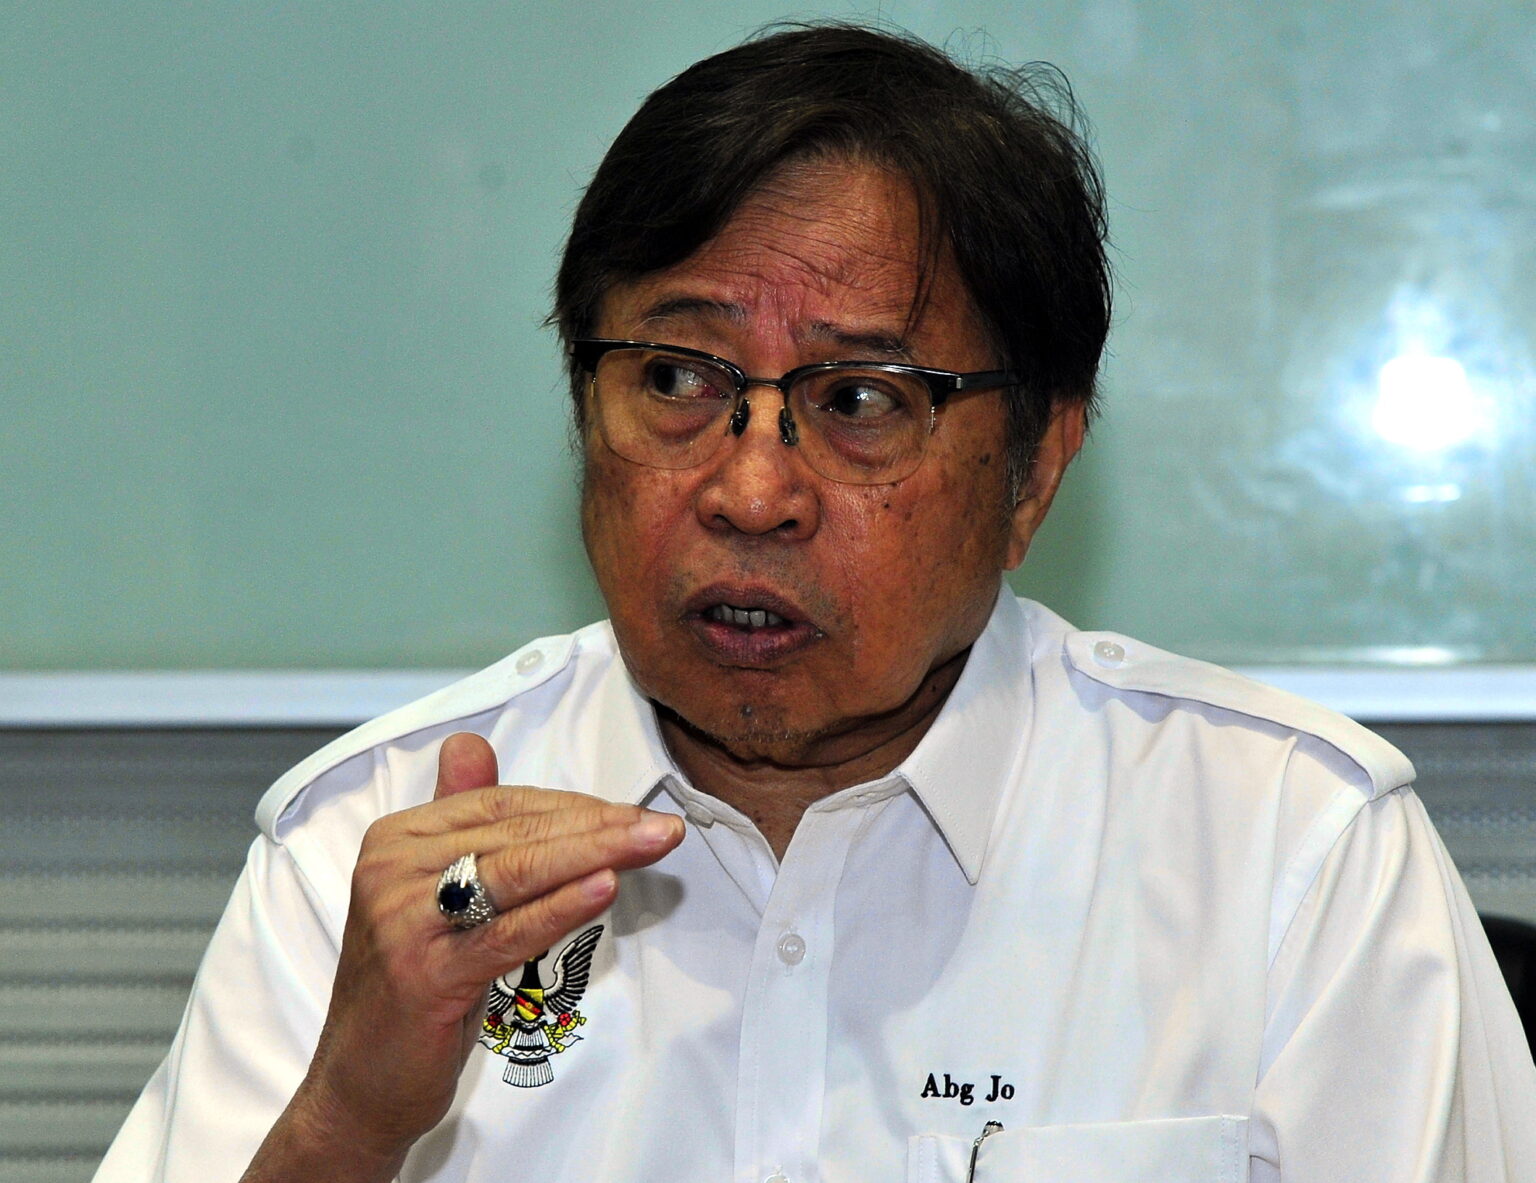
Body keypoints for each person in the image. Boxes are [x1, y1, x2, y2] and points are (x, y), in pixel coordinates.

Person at [96, 23, 1534, 1183]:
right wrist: (348, 1125)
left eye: (860, 401)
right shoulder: (370, 848)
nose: (750, 490)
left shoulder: (1291, 856)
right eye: (675, 379)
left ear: (1034, 469)